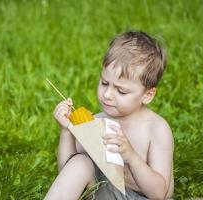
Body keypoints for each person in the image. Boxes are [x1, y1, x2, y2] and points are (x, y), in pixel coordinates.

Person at [45, 31, 174, 200]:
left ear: (147, 95)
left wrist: (131, 156)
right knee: (81, 163)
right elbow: (67, 171)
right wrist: (66, 131)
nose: (107, 94)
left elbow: (159, 193)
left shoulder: (156, 129)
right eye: (104, 83)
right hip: (106, 193)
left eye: (121, 91)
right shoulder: (98, 122)